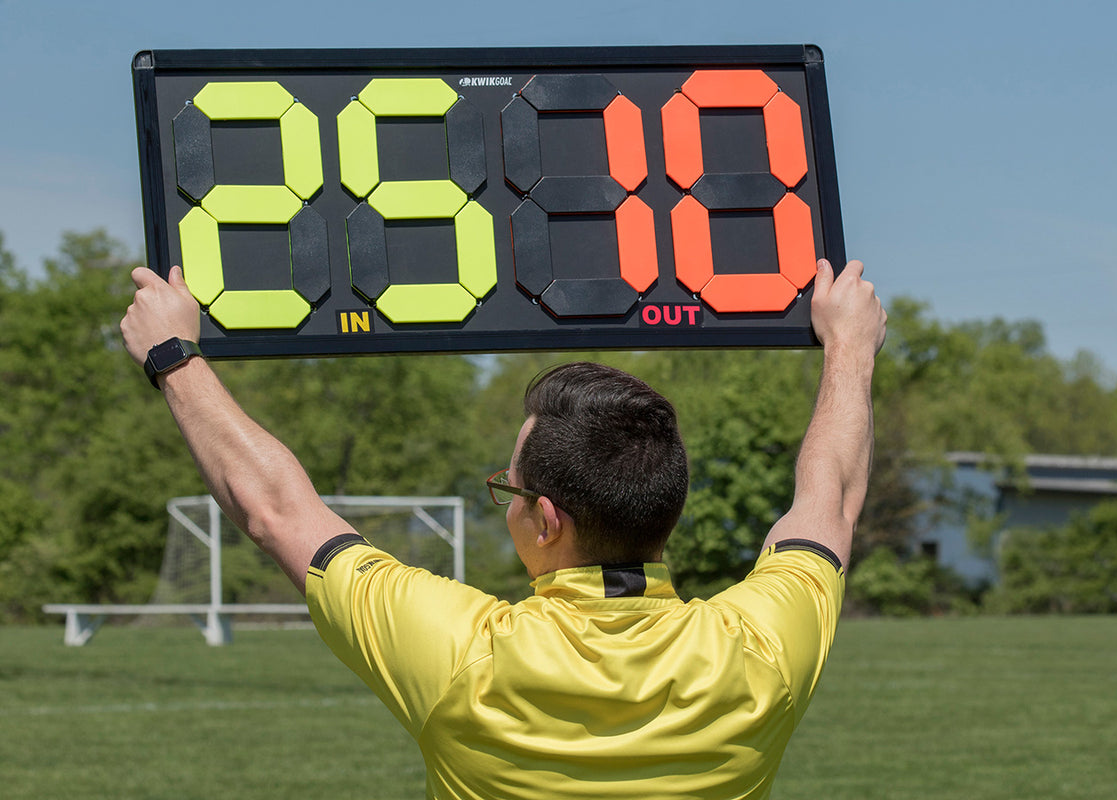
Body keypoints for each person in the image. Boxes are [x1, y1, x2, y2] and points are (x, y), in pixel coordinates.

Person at [120, 258, 886, 800]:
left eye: (508, 490)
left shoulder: (463, 654)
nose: (508, 502)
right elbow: (832, 496)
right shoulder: (761, 651)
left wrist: (173, 356)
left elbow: (275, 509)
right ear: (668, 507)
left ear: (546, 519)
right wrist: (849, 347)